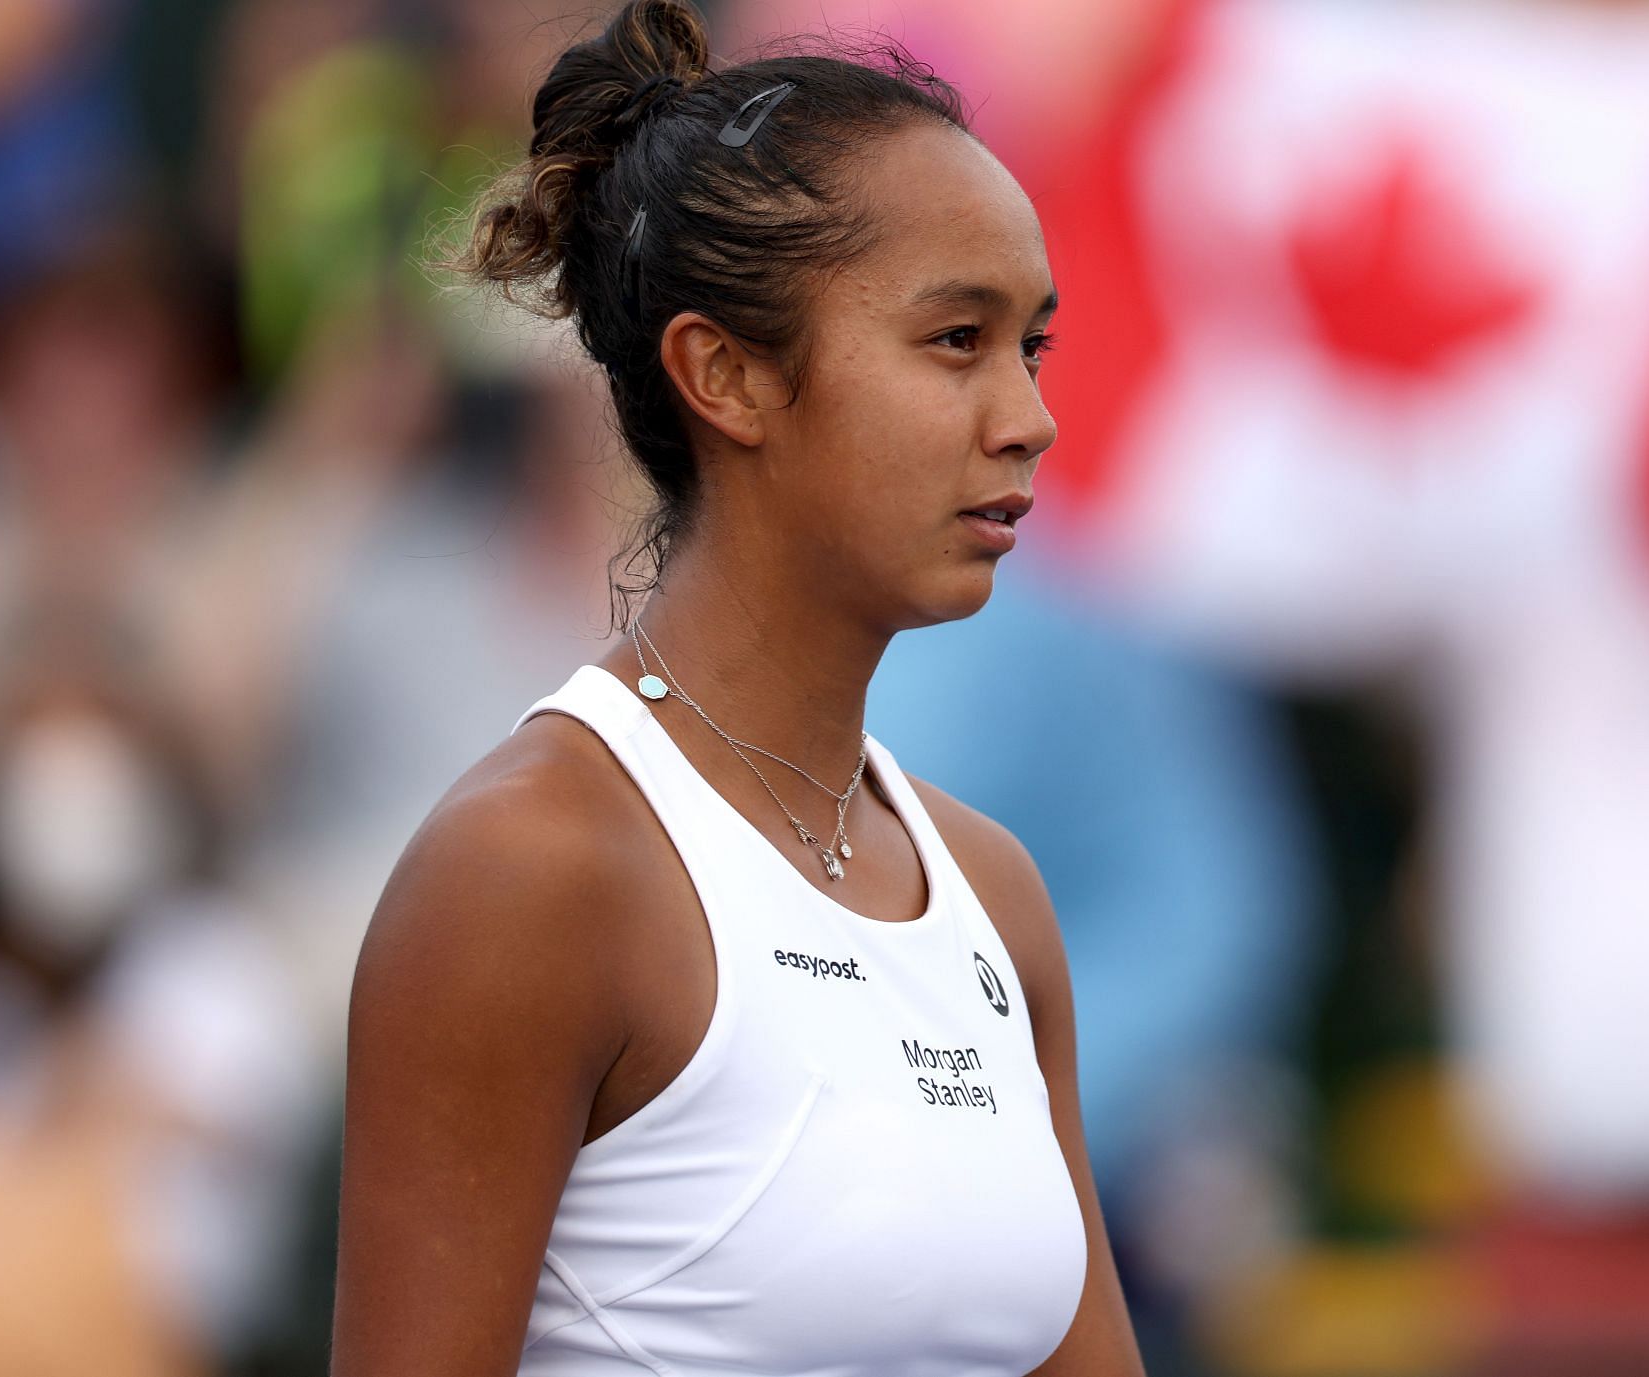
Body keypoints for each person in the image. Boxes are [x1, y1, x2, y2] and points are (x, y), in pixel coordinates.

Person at [330, 3, 1146, 1374]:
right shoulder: (531, 870)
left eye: (1033, 345)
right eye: (957, 339)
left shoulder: (997, 899)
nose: (1029, 415)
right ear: (726, 374)